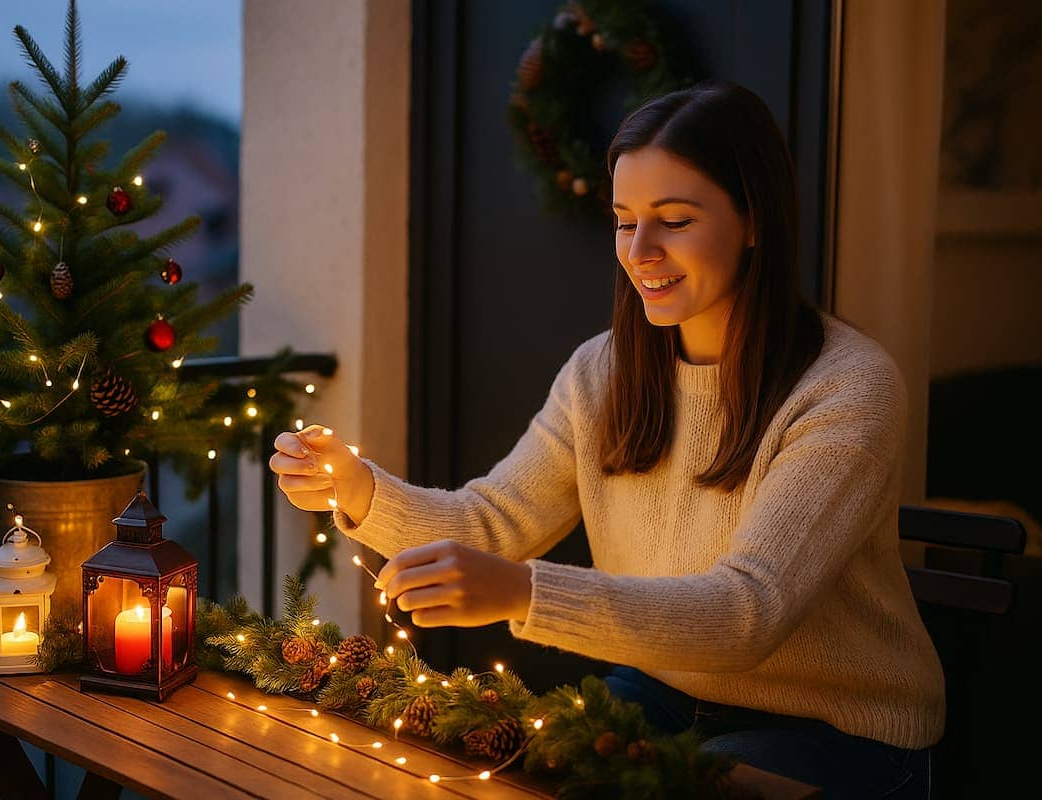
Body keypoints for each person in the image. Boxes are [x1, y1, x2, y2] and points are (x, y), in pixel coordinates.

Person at [269, 80, 943, 798]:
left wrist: (522, 592)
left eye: (674, 220)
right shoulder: (604, 371)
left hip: (834, 730)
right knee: (486, 771)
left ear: (755, 221)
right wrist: (358, 487)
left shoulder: (847, 387)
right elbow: (492, 522)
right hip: (659, 692)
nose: (641, 251)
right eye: (625, 222)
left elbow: (749, 614)